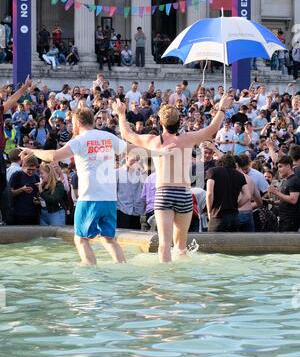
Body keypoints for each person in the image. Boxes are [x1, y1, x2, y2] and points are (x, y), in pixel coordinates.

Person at [114, 94, 233, 263]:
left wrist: (121, 113)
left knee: (164, 244)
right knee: (181, 245)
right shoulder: (187, 138)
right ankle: (179, 280)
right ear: (179, 122)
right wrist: (221, 108)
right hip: (184, 193)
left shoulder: (153, 140)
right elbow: (212, 129)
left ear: (161, 122)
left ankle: (164, 282)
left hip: (163, 193)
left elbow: (127, 134)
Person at [20, 108, 132, 266]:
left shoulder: (79, 140)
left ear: (78, 123)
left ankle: (89, 274)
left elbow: (53, 156)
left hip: (89, 198)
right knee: (109, 240)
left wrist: (31, 151)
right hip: (110, 199)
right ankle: (123, 268)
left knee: (80, 239)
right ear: (92, 121)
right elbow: (132, 149)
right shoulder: (109, 137)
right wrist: (157, 152)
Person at [206, 154, 250, 232]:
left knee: (214, 244)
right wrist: (236, 205)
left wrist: (209, 211)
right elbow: (247, 196)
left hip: (217, 216)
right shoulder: (240, 175)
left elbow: (209, 193)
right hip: (234, 217)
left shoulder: (212, 171)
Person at [268, 156, 300, 232]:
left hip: (290, 220)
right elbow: (287, 199)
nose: (279, 170)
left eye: (280, 167)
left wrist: (276, 192)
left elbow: (293, 200)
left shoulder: (294, 180)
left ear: (288, 166)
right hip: (285, 219)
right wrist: (275, 202)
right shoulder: (287, 180)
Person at [9, 155, 40, 225]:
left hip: (33, 214)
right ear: (23, 167)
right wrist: (22, 189)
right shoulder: (16, 175)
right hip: (18, 214)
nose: (31, 172)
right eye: (29, 169)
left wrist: (38, 199)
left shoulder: (36, 177)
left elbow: (37, 193)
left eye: (33, 170)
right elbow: (10, 194)